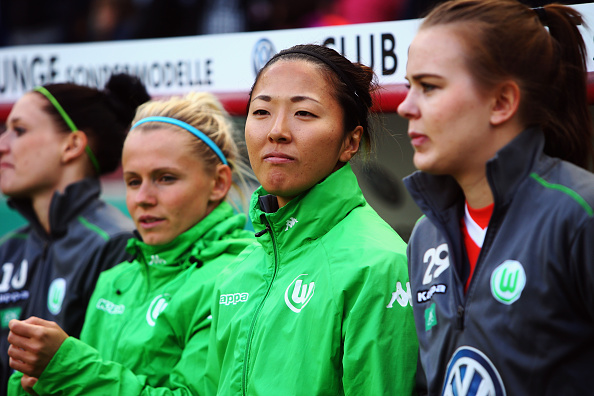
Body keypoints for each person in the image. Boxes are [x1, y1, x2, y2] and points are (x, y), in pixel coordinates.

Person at [398, 1, 594, 394]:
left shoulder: (578, 213)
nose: (405, 107)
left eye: (429, 87)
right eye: (408, 87)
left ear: (502, 102)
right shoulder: (425, 235)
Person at [6, 91, 256, 395]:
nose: (143, 199)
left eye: (165, 178)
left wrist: (66, 368)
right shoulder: (117, 279)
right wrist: (36, 384)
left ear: (218, 183)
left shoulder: (238, 278)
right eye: (133, 181)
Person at [205, 43, 418, 395]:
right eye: (261, 112)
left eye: (303, 113)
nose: (277, 131)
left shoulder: (379, 265)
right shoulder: (235, 273)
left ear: (350, 142)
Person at [0, 73, 149, 391]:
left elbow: (109, 372)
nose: (2, 145)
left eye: (19, 131)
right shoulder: (8, 249)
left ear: (72, 145)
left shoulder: (116, 244)